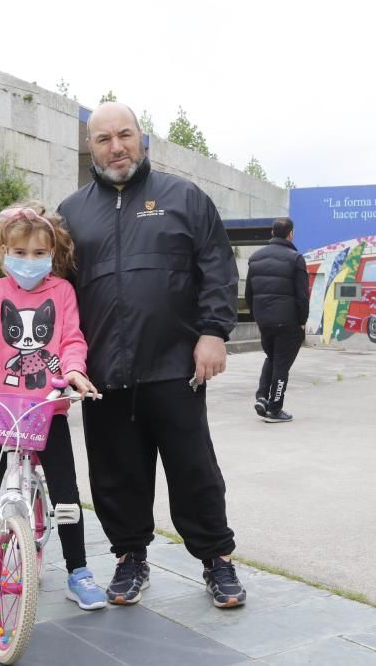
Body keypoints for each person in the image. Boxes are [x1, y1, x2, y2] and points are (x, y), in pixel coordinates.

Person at [58, 102, 246, 608]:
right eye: (103, 139)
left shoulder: (184, 197)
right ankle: (130, 559)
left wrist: (213, 333)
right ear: (90, 147)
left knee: (193, 469)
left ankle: (217, 561)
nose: (115, 147)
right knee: (116, 472)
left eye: (124, 135)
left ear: (142, 139)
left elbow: (218, 268)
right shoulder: (71, 213)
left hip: (175, 366)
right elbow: (57, 292)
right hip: (103, 373)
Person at [0, 202, 107, 616]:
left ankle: (79, 573)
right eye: (20, 253)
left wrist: (75, 371)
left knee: (66, 495)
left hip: (50, 408)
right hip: (1, 409)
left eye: (40, 253)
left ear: (54, 254)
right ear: (3, 251)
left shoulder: (62, 292)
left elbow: (72, 340)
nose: (30, 262)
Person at [244, 217, 309, 423]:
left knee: (272, 358)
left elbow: (249, 294)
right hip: (288, 322)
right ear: (290, 234)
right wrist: (302, 320)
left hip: (265, 321)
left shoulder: (255, 258)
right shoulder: (296, 258)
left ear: (272, 233)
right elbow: (302, 296)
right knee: (281, 364)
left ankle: (262, 398)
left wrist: (259, 315)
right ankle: (274, 408)